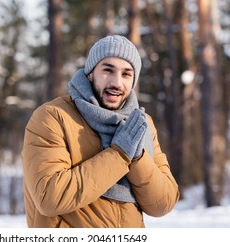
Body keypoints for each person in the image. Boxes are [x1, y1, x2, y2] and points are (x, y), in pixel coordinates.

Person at [22, 35, 179, 228]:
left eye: (126, 74)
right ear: (90, 72)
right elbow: (49, 197)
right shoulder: (53, 117)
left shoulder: (141, 125)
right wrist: (120, 154)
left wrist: (137, 157)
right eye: (108, 70)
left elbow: (163, 203)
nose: (116, 82)